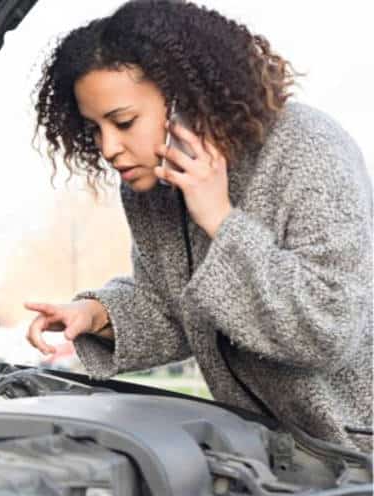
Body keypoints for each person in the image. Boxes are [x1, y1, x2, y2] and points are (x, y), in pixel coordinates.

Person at [24, 0, 372, 452]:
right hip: (265, 454)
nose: (109, 148)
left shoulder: (308, 149)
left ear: (185, 97)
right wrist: (96, 316)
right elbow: (178, 311)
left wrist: (219, 219)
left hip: (358, 454)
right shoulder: (151, 186)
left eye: (124, 122)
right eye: (94, 130)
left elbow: (329, 328)